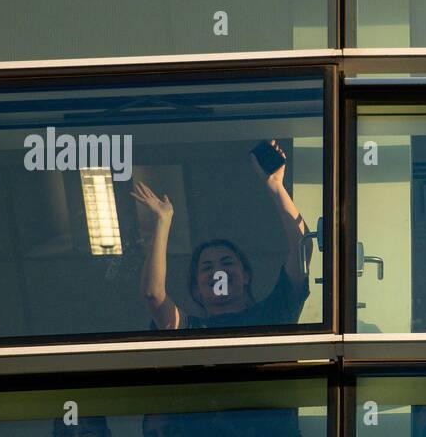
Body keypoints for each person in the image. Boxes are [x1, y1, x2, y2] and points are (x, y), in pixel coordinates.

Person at [131, 139, 311, 331]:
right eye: (207, 267)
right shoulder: (189, 329)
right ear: (196, 289)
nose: (218, 272)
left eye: (227, 263)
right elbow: (153, 294)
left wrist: (276, 186)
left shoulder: (272, 314)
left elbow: (303, 248)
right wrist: (163, 219)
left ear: (246, 276)